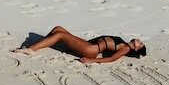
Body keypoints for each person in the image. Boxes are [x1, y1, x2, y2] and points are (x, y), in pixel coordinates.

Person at [15, 25, 146, 63]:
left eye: (140, 43)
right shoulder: (123, 43)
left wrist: (90, 61)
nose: (139, 40)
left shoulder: (126, 49)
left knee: (60, 34)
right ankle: (46, 42)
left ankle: (31, 49)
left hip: (90, 50)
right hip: (86, 45)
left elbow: (112, 58)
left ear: (135, 48)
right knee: (58, 29)